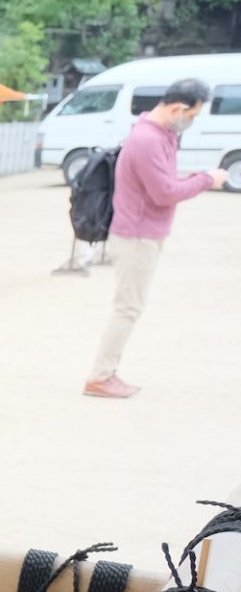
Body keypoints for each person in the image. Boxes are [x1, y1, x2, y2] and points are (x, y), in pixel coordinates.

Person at [84, 78, 229, 399]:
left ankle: (106, 374)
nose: (191, 121)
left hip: (143, 232)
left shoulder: (160, 134)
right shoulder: (148, 140)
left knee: (129, 306)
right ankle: (100, 376)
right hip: (136, 235)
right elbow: (165, 193)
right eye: (192, 115)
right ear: (179, 108)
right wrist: (207, 179)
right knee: (128, 308)